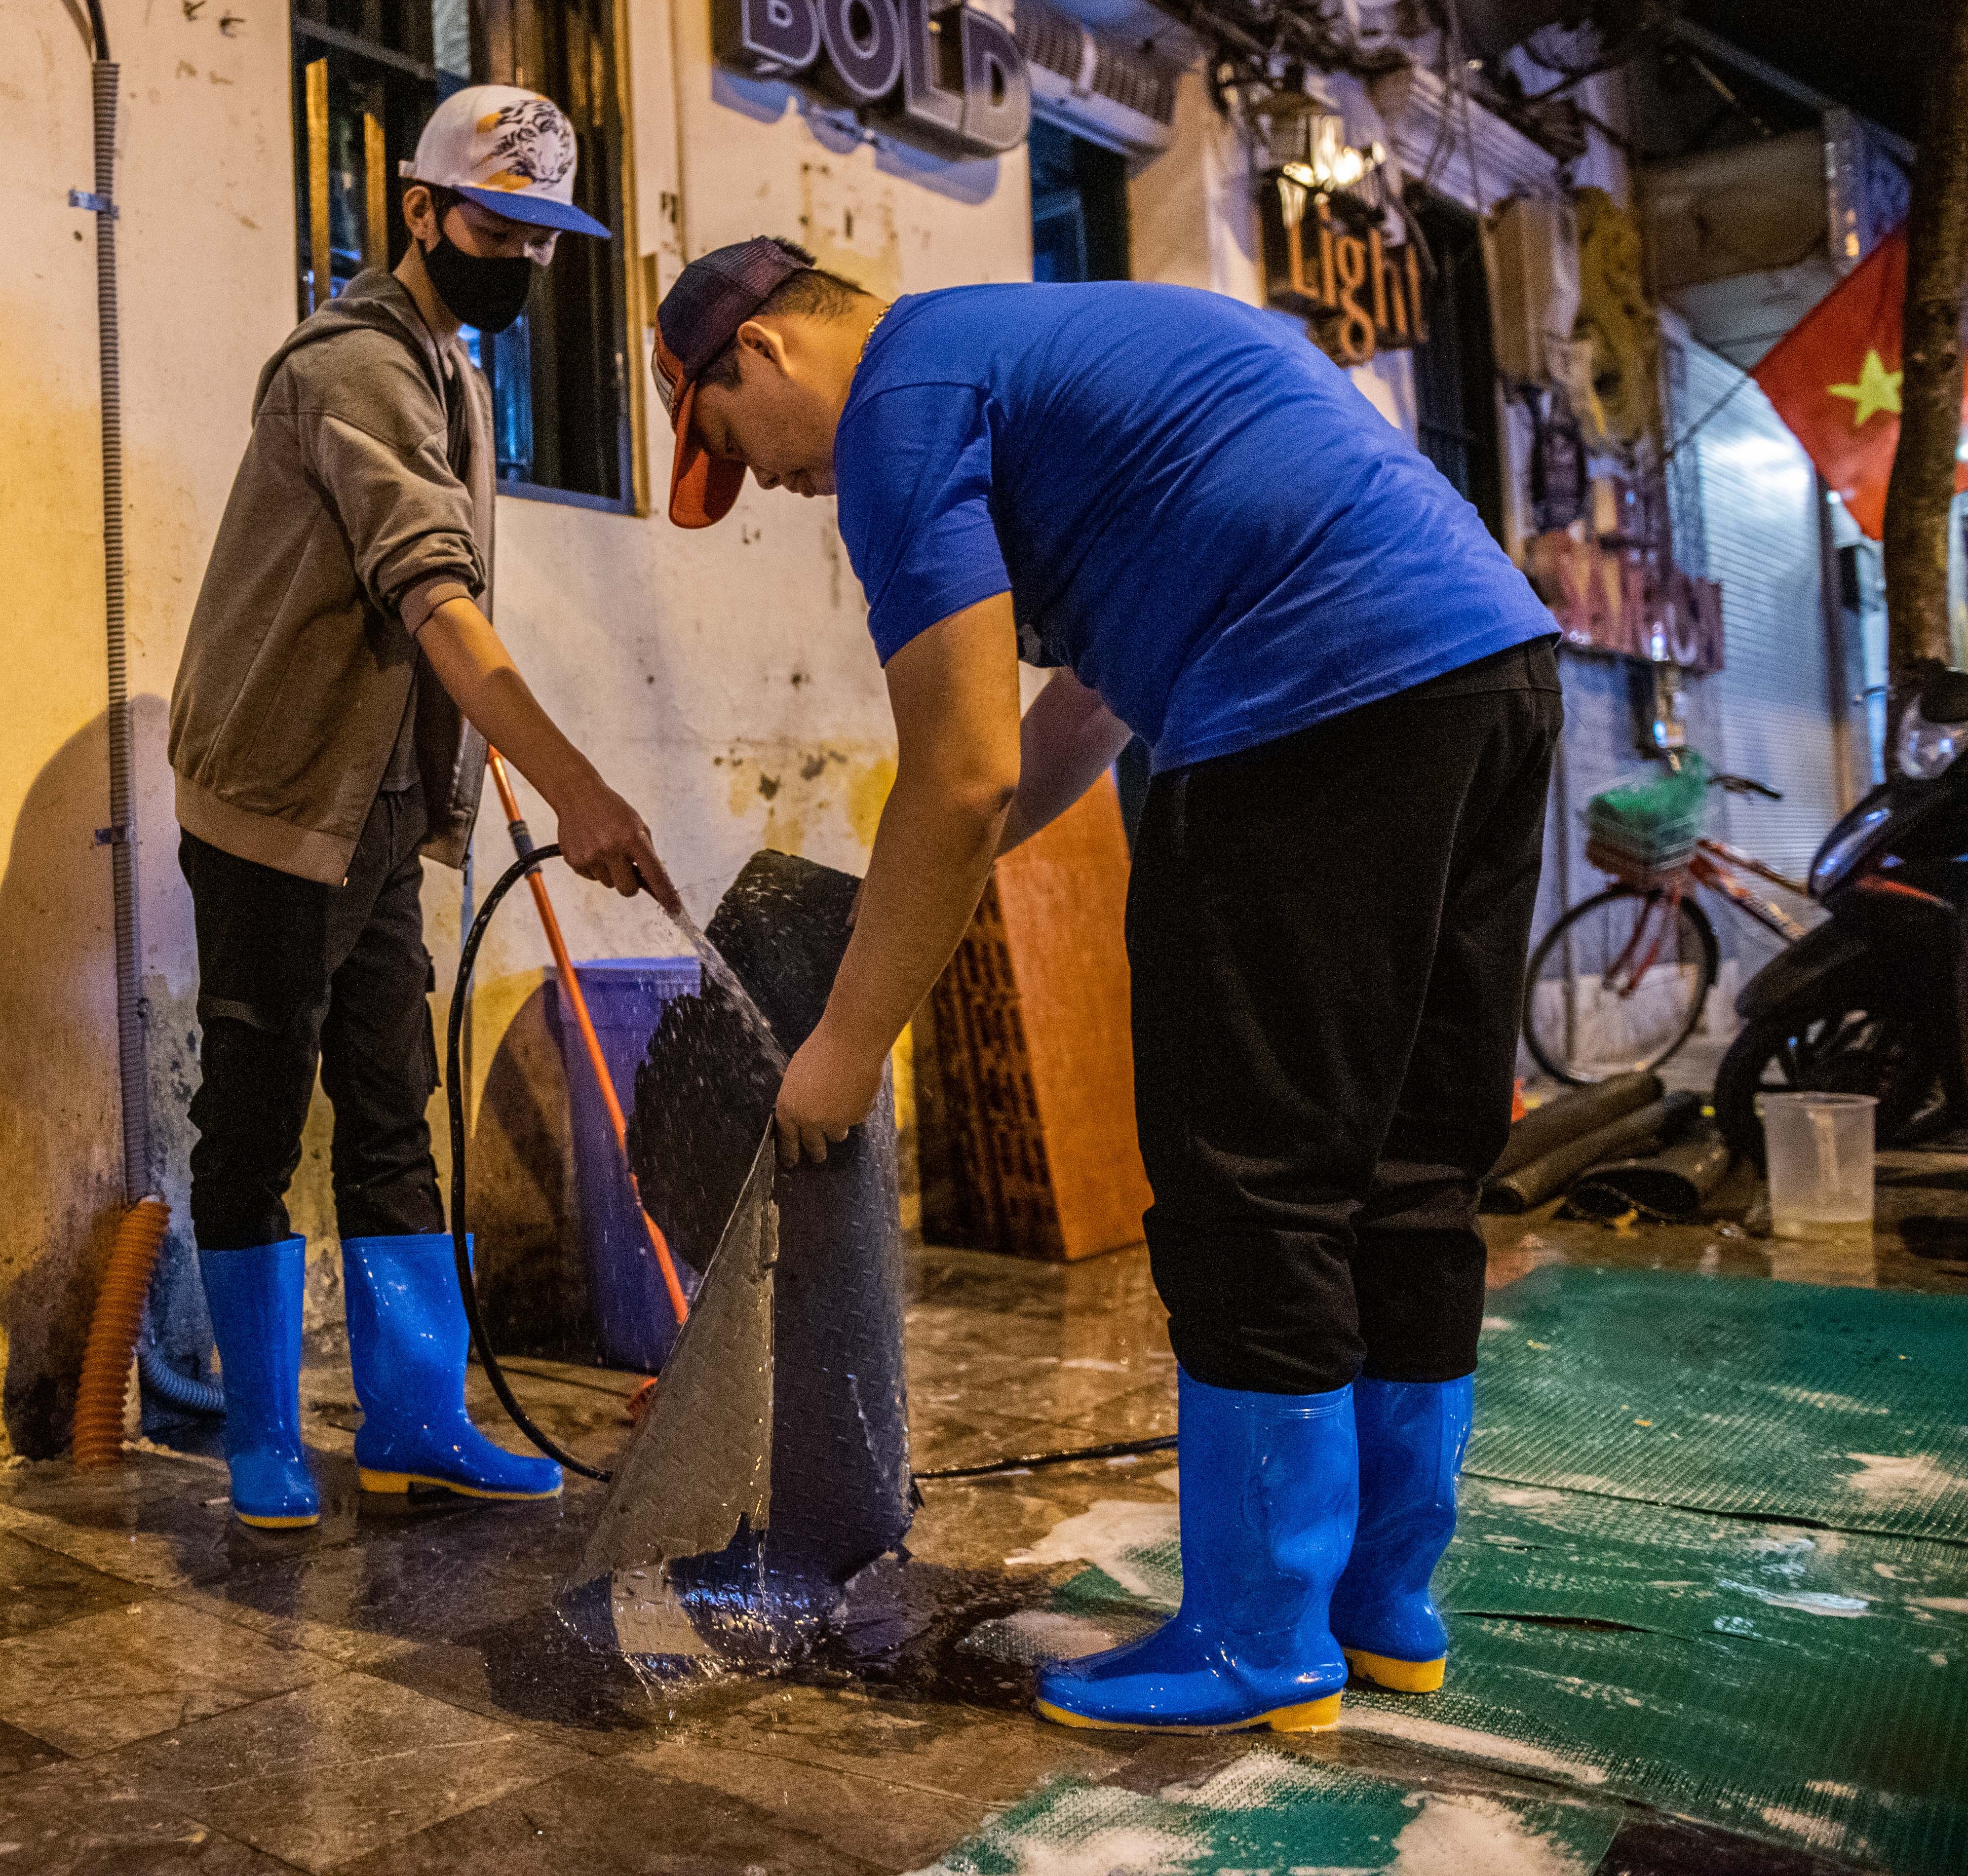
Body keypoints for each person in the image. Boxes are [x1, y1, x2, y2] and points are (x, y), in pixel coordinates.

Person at [654, 237, 1560, 1734]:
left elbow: (957, 772)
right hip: (1486, 669)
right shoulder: (1032, 348)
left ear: (756, 357)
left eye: (735, 450)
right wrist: (928, 888)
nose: (779, 491)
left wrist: (845, 1043)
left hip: (1307, 699)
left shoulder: (898, 404)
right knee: (1409, 1164)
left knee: (1248, 1177)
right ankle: (1383, 1606)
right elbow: (1078, 710)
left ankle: (1259, 1640)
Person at [169, 86, 675, 1529]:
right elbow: (435, 597)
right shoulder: (354, 369)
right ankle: (264, 1437)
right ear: (419, 210)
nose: (519, 260)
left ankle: (413, 1422)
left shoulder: (455, 374)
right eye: (496, 229)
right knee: (256, 1116)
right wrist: (577, 787)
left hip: (383, 811)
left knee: (395, 1105)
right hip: (277, 804)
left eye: (542, 239)